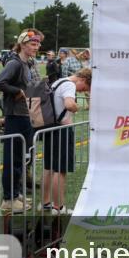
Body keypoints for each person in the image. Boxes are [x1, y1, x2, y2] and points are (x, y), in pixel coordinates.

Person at [0, 29, 42, 213]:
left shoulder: (27, 63)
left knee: (21, 158)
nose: (36, 47)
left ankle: (16, 193)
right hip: (15, 115)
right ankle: (8, 199)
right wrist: (16, 91)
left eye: (37, 44)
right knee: (12, 158)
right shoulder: (15, 63)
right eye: (32, 44)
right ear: (22, 44)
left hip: (25, 114)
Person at [42, 68, 91, 215]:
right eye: (86, 87)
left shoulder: (58, 81)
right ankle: (59, 207)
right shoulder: (70, 85)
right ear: (82, 79)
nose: (84, 91)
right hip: (62, 129)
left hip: (50, 128)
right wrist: (77, 107)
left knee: (48, 168)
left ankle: (45, 203)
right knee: (60, 170)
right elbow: (69, 104)